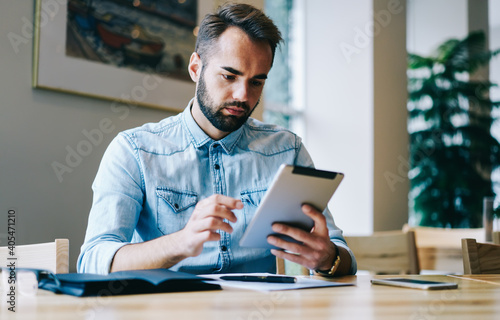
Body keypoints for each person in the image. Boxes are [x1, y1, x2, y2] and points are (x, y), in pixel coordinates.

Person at [78, 3, 357, 276]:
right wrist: (182, 241)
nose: (243, 95)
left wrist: (328, 258)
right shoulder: (134, 151)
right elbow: (93, 260)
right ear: (195, 68)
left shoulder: (287, 150)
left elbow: (343, 256)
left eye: (256, 82)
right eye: (229, 75)